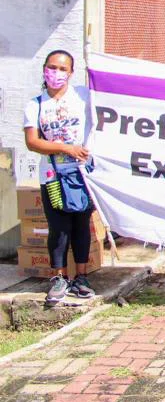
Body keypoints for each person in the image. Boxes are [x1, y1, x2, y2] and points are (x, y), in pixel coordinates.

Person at [22, 50, 95, 303]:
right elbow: (32, 142)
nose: (57, 73)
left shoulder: (83, 96)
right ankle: (58, 277)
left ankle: (81, 277)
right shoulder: (36, 104)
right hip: (53, 177)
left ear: (71, 73)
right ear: (44, 69)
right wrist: (66, 148)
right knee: (59, 228)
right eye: (52, 67)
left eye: (63, 69)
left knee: (81, 226)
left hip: (83, 175)